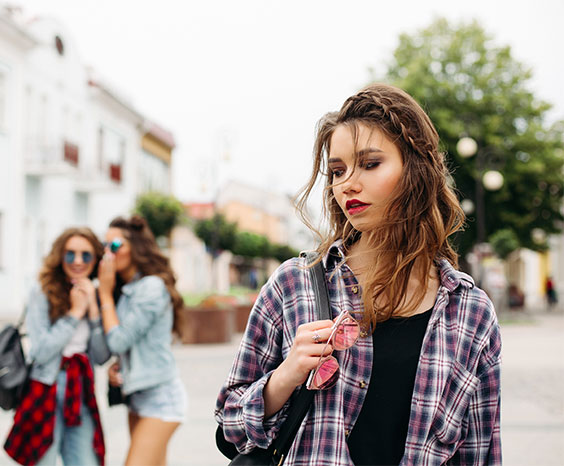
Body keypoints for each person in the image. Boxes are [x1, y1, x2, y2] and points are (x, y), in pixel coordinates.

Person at [215, 83, 502, 465]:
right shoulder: (293, 286)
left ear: (416, 169)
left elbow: (481, 455)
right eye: (337, 170)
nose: (347, 183)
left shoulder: (470, 314)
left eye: (370, 164)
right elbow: (228, 429)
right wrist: (287, 375)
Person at [4, 227, 110, 466]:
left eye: (86, 255)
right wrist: (74, 313)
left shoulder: (96, 293)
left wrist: (93, 311)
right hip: (46, 388)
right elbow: (40, 352)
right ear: (60, 256)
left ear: (96, 259)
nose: (78, 261)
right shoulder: (42, 291)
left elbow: (102, 356)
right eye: (70, 254)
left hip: (81, 390)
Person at [97, 215, 187, 466]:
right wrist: (119, 367)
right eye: (104, 246)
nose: (107, 253)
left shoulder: (151, 288)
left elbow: (118, 341)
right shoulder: (126, 291)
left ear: (136, 247)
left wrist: (104, 293)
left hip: (161, 399)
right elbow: (124, 345)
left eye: (114, 246)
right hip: (138, 398)